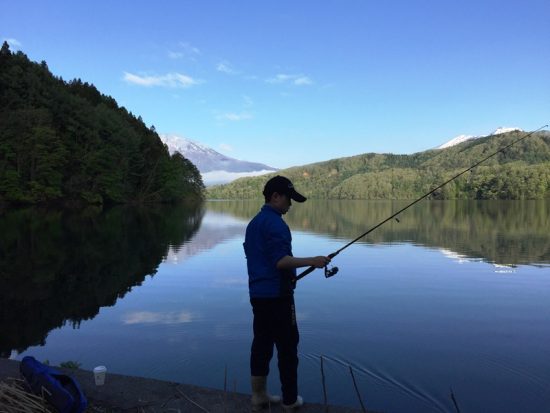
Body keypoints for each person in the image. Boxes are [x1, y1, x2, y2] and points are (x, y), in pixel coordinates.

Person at [243, 175, 331, 411]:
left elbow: (262, 260)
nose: (290, 205)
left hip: (258, 295)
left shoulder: (254, 223)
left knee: (261, 344)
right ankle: (290, 400)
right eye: (288, 199)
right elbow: (280, 261)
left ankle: (258, 397)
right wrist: (314, 260)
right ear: (275, 197)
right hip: (278, 297)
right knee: (288, 347)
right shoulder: (275, 224)